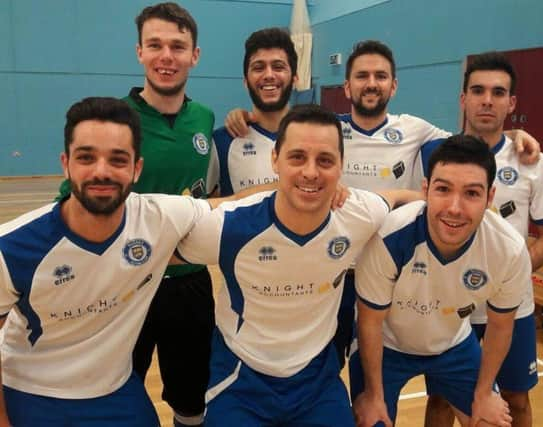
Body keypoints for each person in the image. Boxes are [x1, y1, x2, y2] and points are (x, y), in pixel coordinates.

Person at [223, 40, 542, 369]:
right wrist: (244, 115)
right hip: (330, 269)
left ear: (394, 84)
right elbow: (281, 124)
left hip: (392, 274)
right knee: (319, 365)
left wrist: (514, 134)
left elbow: (472, 141)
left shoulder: (415, 129)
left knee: (374, 367)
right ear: (347, 86)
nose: (371, 83)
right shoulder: (329, 127)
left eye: (380, 75)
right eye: (362, 76)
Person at [175, 104, 419, 427]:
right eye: (297, 157)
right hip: (242, 377)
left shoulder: (358, 214)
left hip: (316, 381)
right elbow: (159, 246)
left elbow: (403, 197)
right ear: (274, 159)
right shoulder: (230, 225)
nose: (311, 172)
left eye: (325, 161)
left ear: (341, 166)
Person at [0, 97, 216, 427]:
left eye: (118, 159)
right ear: (66, 163)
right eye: (86, 157)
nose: (102, 171)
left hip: (114, 389)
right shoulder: (11, 247)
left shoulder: (159, 218)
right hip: (31, 389)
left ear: (136, 168)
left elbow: (233, 206)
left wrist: (309, 191)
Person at [57, 4, 215, 426]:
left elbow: (209, 195)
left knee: (191, 398)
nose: (167, 56)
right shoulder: (114, 122)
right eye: (156, 45)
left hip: (188, 285)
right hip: (122, 285)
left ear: (195, 55)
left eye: (178, 46)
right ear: (140, 52)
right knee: (116, 391)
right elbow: (69, 202)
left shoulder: (204, 119)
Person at [423, 52, 543, 427]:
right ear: (463, 99)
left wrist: (511, 274)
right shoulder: (438, 155)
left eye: (498, 92)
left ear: (511, 102)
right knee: (440, 398)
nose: (487, 100)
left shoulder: (532, 160)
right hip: (451, 303)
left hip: (512, 306)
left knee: (516, 399)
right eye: (478, 90)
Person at [350, 135, 531, 427]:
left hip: (453, 346)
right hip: (387, 346)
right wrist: (373, 394)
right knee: (372, 421)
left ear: (490, 197)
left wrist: (484, 393)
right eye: (443, 189)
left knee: (491, 421)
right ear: (425, 190)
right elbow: (369, 321)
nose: (455, 208)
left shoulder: (508, 248)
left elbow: (500, 325)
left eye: (472, 193)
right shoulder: (389, 237)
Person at [210, 27, 297, 196]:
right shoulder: (221, 141)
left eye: (278, 67)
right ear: (245, 81)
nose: (269, 75)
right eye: (258, 68)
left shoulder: (315, 138)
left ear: (295, 79)